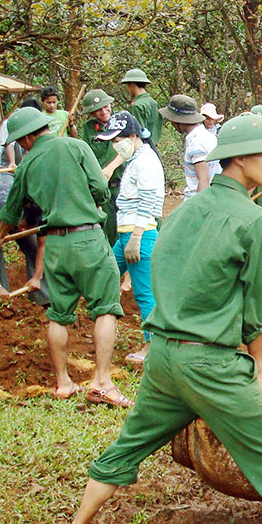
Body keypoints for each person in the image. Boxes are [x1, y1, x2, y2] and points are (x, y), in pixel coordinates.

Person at [55, 114, 262, 524]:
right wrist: (261, 373)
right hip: (211, 365)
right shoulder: (254, 218)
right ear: (238, 159)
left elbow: (162, 276)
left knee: (128, 447)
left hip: (163, 359)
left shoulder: (182, 211)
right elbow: (257, 312)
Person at [0, 107, 129, 406]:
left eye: (19, 141)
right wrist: (95, 204)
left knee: (59, 314)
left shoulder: (26, 166)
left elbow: (11, 211)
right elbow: (100, 187)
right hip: (87, 237)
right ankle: (102, 382)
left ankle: (63, 382)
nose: (20, 146)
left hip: (54, 245)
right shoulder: (76, 146)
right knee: (104, 308)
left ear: (27, 137)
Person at [96, 112, 163, 363]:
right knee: (107, 274)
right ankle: (106, 327)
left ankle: (152, 346)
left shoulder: (146, 161)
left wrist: (136, 237)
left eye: (118, 139)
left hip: (140, 234)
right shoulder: (134, 158)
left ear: (133, 136)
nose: (115, 145)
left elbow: (147, 200)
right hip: (125, 234)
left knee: (145, 294)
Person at [0, 173, 50, 305]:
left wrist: (37, 277)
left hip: (11, 199)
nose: (21, 232)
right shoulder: (1, 216)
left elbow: (42, 247)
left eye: (26, 228)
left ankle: (43, 297)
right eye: (20, 227)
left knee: (33, 248)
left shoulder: (40, 213)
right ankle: (0, 297)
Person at [78, 89, 128, 246]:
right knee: (108, 229)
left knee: (129, 227)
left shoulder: (122, 121)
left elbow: (129, 148)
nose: (103, 111)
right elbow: (87, 155)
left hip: (123, 185)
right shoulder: (89, 128)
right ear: (92, 113)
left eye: (106, 106)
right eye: (98, 109)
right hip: (103, 189)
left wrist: (111, 167)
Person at [163, 95, 219, 201]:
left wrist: (198, 209)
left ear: (176, 121)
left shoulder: (196, 142)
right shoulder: (207, 136)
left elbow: (204, 179)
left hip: (198, 199)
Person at [121, 69, 162, 147]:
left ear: (132, 85)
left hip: (143, 147)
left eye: (128, 85)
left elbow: (138, 132)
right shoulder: (153, 102)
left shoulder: (137, 106)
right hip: (154, 148)